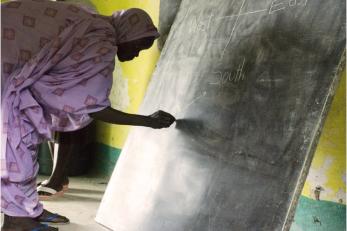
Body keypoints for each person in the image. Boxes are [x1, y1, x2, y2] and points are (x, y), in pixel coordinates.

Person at [1, 1, 176, 230]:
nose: (136, 55)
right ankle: (16, 221)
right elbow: (95, 107)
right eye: (138, 46)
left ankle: (28, 209)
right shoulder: (101, 40)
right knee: (17, 146)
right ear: (127, 32)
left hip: (10, 60)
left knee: (24, 143)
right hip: (8, 64)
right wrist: (146, 121)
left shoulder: (91, 25)